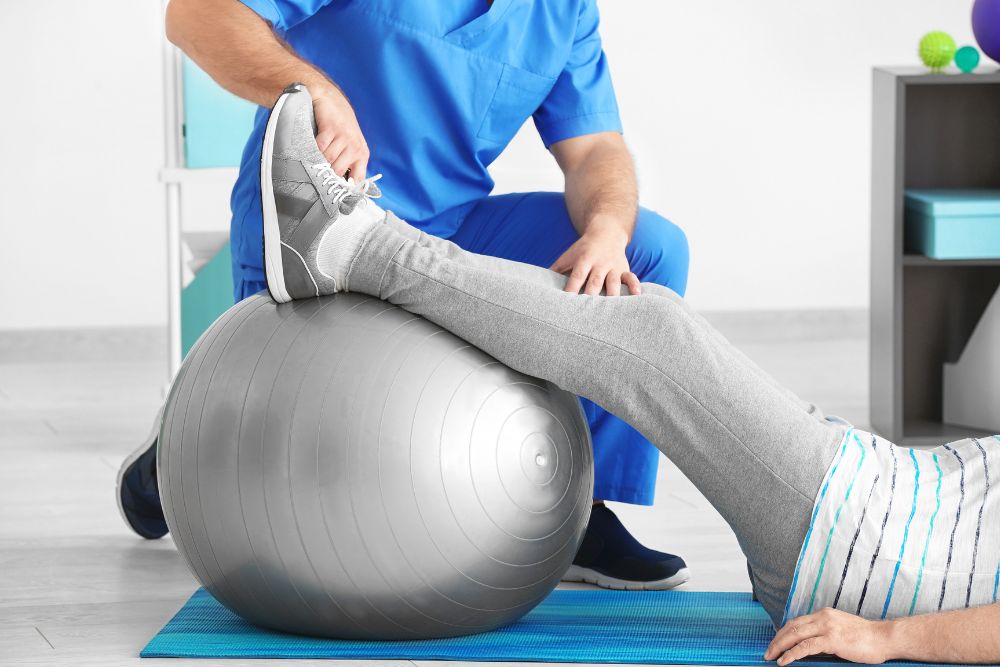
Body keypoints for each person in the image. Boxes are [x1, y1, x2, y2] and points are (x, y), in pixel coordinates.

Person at [262, 85, 999, 664]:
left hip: (861, 534)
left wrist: (890, 638)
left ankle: (352, 248)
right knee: (650, 318)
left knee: (653, 332)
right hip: (877, 493)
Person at [121, 0, 693, 590]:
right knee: (302, 459)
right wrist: (313, 89)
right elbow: (194, 14)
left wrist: (605, 229)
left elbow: (595, 148)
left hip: (448, 231)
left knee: (646, 251)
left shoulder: (563, 11)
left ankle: (583, 516)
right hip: (317, 220)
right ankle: (176, 450)